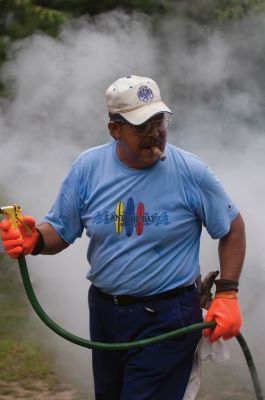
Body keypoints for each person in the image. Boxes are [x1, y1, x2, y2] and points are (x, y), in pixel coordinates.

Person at [0, 75, 246, 400]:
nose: (155, 133)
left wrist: (227, 294)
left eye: (159, 121)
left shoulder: (190, 172)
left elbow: (232, 227)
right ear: (114, 129)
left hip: (168, 315)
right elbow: (60, 230)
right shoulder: (88, 168)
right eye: (141, 126)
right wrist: (36, 241)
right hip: (105, 312)